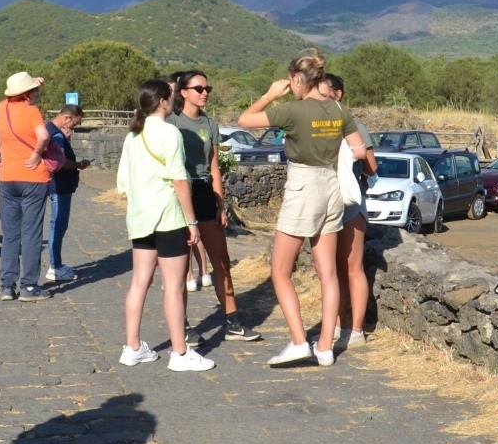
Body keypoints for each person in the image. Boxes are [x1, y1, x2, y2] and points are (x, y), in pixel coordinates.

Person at [238, 50, 369, 367]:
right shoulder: (337, 108)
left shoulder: (292, 111)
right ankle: (325, 347)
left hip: (303, 186)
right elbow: (359, 149)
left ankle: (299, 342)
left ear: (297, 78)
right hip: (331, 187)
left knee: (280, 271)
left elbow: (244, 120)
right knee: (328, 274)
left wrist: (270, 94)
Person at [116, 79, 212, 372]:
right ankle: (180, 353)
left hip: (140, 217)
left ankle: (132, 347)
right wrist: (192, 222)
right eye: (171, 96)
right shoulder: (170, 133)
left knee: (138, 283)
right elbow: (179, 180)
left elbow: (123, 183)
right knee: (172, 286)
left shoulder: (132, 135)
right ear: (162, 101)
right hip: (168, 217)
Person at [170, 71, 259, 343]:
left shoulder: (210, 124)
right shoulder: (171, 122)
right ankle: (182, 326)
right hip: (180, 193)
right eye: (198, 88)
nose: (204, 92)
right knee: (180, 265)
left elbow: (214, 166)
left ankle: (233, 321)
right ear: (183, 92)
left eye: (207, 87)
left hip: (205, 192)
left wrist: (221, 203)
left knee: (221, 261)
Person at [318, 73, 376, 348]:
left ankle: (353, 330)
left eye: (324, 90)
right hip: (338, 203)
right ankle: (348, 330)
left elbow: (370, 164)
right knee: (342, 270)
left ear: (337, 94)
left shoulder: (351, 124)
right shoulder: (345, 124)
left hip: (346, 204)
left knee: (348, 269)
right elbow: (371, 168)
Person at [0, 72, 53, 301]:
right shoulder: (32, 112)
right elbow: (43, 135)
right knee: (31, 234)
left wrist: (35, 83)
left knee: (10, 234)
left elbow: (21, 95)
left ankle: (7, 286)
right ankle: (29, 287)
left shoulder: (2, 107)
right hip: (33, 177)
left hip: (8, 178)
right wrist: (37, 153)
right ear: (28, 93)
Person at [43, 103, 91, 283]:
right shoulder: (56, 135)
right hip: (59, 185)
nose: (74, 127)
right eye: (74, 124)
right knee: (58, 224)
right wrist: (79, 164)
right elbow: (60, 162)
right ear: (67, 118)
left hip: (55, 184)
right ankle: (55, 266)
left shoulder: (50, 130)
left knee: (58, 224)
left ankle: (57, 264)